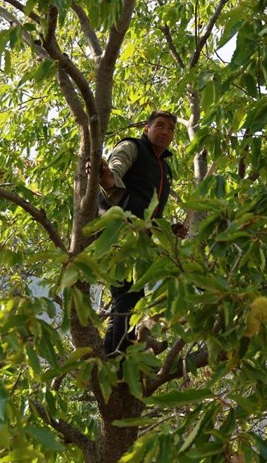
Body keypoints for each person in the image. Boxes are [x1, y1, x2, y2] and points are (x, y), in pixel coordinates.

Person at [95, 110, 179, 356]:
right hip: (115, 234)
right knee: (126, 297)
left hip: (140, 242)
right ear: (147, 128)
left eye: (170, 129)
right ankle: (115, 359)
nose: (165, 132)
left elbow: (150, 210)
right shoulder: (132, 147)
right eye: (160, 126)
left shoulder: (163, 166)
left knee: (132, 297)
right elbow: (116, 167)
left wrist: (168, 228)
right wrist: (109, 179)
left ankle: (119, 354)